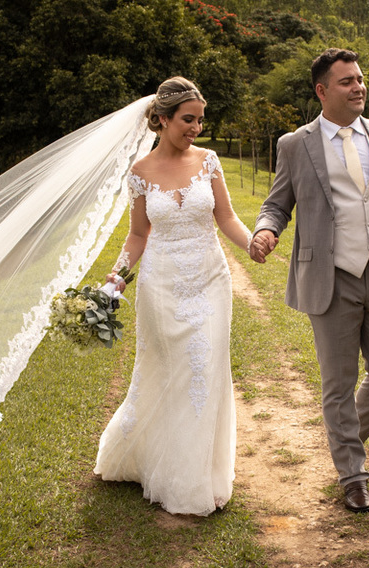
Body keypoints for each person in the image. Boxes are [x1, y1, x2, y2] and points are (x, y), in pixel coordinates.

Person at [250, 48, 369, 513]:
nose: (358, 86)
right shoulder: (295, 144)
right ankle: (353, 475)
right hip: (330, 277)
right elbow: (279, 203)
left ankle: (344, 439)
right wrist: (266, 229)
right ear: (322, 91)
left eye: (360, 79)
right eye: (346, 81)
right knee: (338, 383)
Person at [94, 77, 253, 516]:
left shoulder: (209, 162)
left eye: (200, 119)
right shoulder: (141, 173)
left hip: (210, 280)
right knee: (171, 371)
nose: (196, 128)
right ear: (162, 119)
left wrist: (252, 243)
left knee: (204, 368)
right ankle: (155, 459)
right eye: (188, 119)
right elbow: (138, 234)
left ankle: (199, 475)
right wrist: (117, 277)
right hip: (161, 284)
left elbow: (227, 217)